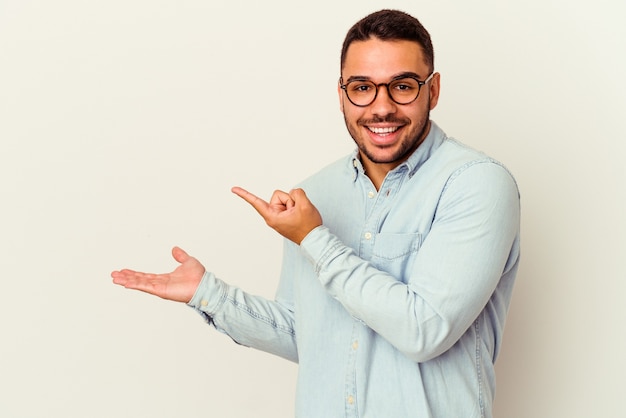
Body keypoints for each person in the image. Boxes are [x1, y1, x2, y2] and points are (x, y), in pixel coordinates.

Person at [112, 9, 520, 418]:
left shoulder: (476, 184)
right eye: (362, 87)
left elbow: (425, 330)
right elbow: (303, 333)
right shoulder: (316, 194)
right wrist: (210, 294)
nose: (382, 108)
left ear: (433, 90)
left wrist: (313, 238)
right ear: (342, 94)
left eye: (402, 86)